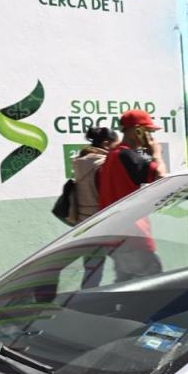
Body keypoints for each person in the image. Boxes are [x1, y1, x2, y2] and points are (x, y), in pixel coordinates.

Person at [99, 109, 167, 282]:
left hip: (115, 236)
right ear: (137, 130)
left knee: (126, 286)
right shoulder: (128, 156)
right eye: (149, 132)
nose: (151, 137)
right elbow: (161, 176)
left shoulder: (113, 156)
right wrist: (156, 153)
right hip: (133, 236)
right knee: (155, 284)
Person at [73, 126, 119, 287]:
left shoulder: (81, 162)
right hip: (104, 222)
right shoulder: (102, 164)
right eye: (116, 144)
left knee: (92, 269)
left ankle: (85, 300)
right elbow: (107, 195)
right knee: (128, 263)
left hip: (86, 222)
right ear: (107, 143)